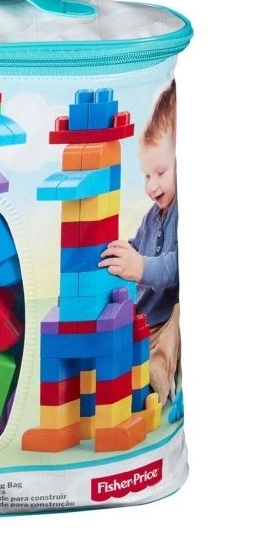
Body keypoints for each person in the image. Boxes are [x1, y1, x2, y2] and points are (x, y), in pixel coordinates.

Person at [99, 80, 180, 403]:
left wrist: (141, 267)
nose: (152, 186)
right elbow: (137, 246)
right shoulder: (152, 216)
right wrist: (121, 254)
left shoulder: (182, 211)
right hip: (142, 322)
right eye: (147, 176)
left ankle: (157, 375)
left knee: (181, 315)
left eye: (161, 172)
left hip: (166, 325)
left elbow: (176, 265)